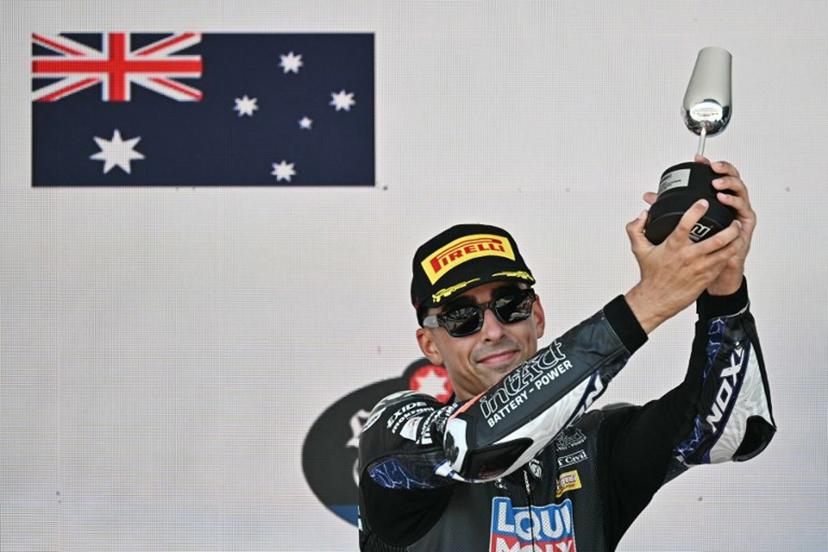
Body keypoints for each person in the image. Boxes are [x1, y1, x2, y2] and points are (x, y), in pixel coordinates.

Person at [357, 157, 775, 552]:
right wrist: (648, 302)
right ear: (430, 345)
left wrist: (723, 285)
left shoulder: (595, 444)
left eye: (510, 305)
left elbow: (736, 430)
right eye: (462, 317)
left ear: (537, 316)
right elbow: (472, 445)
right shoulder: (395, 432)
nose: (494, 330)